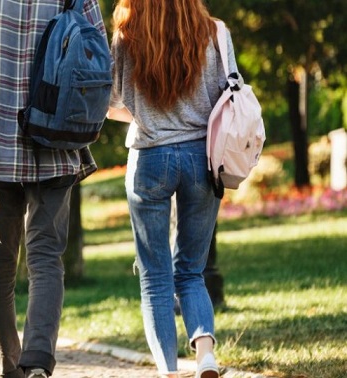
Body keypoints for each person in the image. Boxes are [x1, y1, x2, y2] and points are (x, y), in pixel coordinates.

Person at [0, 1, 106, 377]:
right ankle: (37, 360)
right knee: (46, 258)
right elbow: (99, 59)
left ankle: (7, 368)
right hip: (56, 136)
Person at [106, 0, 230, 377]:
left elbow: (110, 103)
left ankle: (168, 370)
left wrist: (147, 114)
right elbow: (228, 97)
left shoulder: (127, 35)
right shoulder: (215, 32)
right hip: (200, 159)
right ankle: (205, 355)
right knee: (191, 270)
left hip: (149, 159)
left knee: (155, 275)